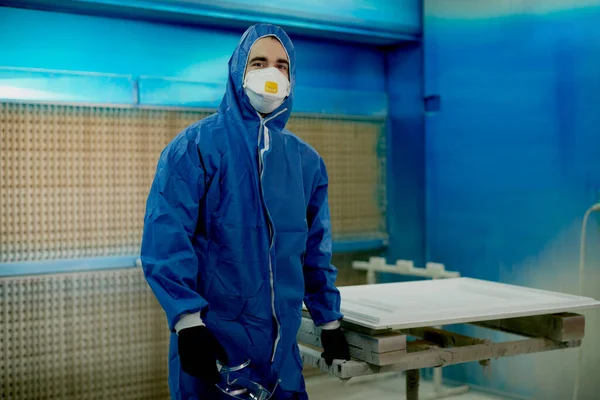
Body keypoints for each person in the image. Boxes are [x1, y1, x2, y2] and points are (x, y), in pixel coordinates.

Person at [141, 23, 351, 400]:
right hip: (214, 352)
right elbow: (166, 241)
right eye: (259, 62)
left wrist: (330, 320)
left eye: (281, 66)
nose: (271, 73)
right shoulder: (195, 148)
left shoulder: (306, 163)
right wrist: (188, 323)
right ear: (238, 71)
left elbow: (314, 252)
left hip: (281, 362)